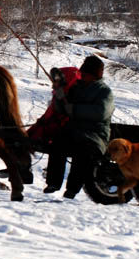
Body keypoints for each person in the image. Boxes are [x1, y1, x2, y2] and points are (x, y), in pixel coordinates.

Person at [44, 55, 114, 198]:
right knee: (58, 143)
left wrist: (75, 109)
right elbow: (62, 109)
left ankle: (72, 189)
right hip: (74, 132)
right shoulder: (76, 88)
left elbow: (101, 112)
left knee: (84, 153)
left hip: (95, 136)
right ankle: (53, 183)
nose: (82, 76)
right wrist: (58, 94)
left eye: (85, 74)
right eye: (82, 73)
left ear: (95, 76)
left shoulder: (105, 92)